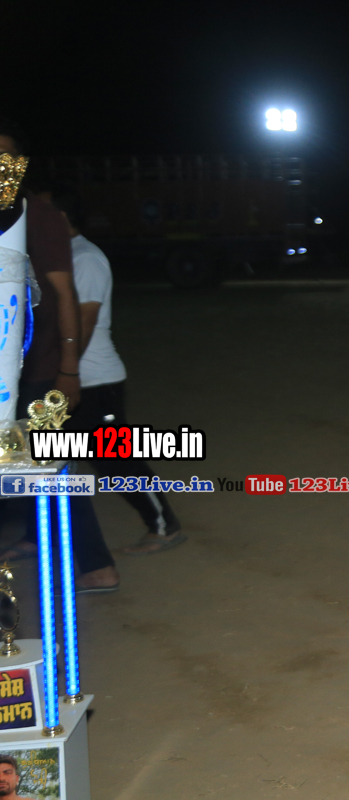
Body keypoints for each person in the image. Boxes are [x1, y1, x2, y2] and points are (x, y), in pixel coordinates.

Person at [0, 123, 119, 593]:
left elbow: (64, 293)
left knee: (51, 467)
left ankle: (97, 565)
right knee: (17, 467)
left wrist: (68, 369)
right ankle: (36, 537)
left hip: (37, 369)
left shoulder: (40, 215)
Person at [50, 189, 185, 555]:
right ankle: (40, 536)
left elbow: (85, 321)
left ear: (60, 218)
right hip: (71, 377)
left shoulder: (85, 258)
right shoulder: (60, 258)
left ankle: (163, 526)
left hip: (93, 380)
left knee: (115, 461)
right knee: (48, 458)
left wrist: (65, 374)